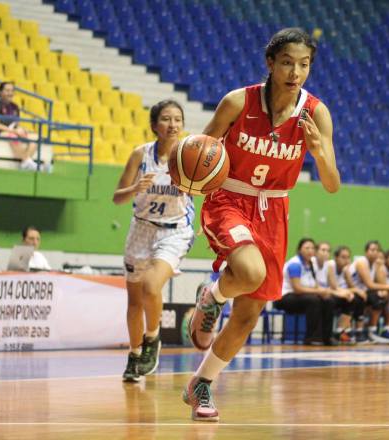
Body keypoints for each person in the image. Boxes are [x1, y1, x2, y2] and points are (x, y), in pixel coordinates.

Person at [183, 28, 340, 421]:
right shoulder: (238, 102)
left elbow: (333, 184)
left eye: (304, 64)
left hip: (274, 211)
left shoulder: (316, 113)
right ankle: (213, 296)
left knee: (248, 316)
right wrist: (190, 187)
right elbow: (202, 152)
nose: (295, 72)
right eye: (287, 62)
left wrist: (319, 152)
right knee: (249, 273)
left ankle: (200, 384)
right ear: (270, 63)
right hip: (229, 199)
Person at [112, 99, 194, 383]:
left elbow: (207, 186)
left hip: (174, 230)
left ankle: (153, 338)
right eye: (166, 119)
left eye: (177, 119)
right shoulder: (140, 155)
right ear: (154, 125)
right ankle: (135, 355)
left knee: (150, 286)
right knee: (134, 301)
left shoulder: (191, 154)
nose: (173, 125)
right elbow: (117, 197)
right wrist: (135, 187)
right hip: (141, 228)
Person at [273, 238, 343, 346]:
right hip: (285, 297)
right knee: (313, 300)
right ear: (299, 250)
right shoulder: (295, 264)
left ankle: (327, 337)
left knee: (329, 300)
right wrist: (318, 292)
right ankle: (312, 338)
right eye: (307, 248)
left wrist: (323, 292)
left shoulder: (310, 264)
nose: (310, 250)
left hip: (302, 297)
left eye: (312, 248)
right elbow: (297, 288)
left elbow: (314, 285)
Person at [348, 240, 389, 343]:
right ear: (366, 252)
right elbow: (369, 284)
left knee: (382, 296)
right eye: (372, 250)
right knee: (363, 297)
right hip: (350, 290)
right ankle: (358, 332)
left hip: (363, 291)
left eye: (377, 250)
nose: (375, 252)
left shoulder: (375, 265)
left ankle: (372, 331)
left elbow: (381, 283)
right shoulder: (362, 262)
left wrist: (380, 268)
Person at [0, 82, 39, 170]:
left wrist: (21, 129)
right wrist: (13, 131)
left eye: (12, 91)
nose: (10, 93)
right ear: (0, 92)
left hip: (11, 132)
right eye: (7, 90)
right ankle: (27, 161)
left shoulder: (15, 107)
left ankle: (25, 162)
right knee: (13, 136)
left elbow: (16, 124)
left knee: (35, 136)